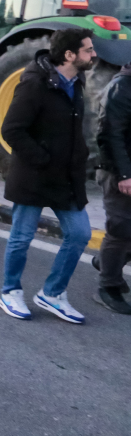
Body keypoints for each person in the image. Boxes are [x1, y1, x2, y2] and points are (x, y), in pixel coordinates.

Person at [0, 29, 95, 324]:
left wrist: (81, 158)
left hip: (66, 177)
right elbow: (11, 129)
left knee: (80, 234)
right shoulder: (34, 84)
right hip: (34, 176)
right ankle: (10, 291)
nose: (93, 55)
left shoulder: (77, 82)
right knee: (21, 237)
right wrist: (42, 158)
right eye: (88, 50)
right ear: (69, 55)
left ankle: (52, 294)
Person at [95, 60, 131, 314]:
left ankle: (106, 262)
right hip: (119, 172)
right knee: (120, 227)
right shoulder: (121, 88)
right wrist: (124, 174)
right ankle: (108, 286)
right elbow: (110, 134)